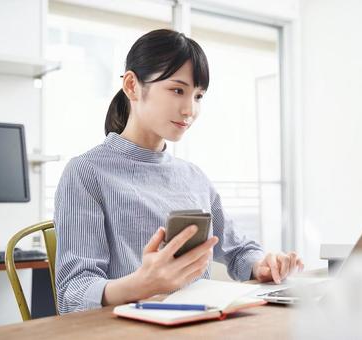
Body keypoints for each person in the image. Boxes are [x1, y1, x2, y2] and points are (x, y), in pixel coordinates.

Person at [54, 29, 303, 314]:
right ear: (133, 86)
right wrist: (140, 284)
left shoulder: (193, 177)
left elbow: (239, 250)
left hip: (199, 325)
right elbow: (71, 295)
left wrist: (263, 264)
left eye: (198, 96)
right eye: (177, 90)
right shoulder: (86, 173)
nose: (190, 110)